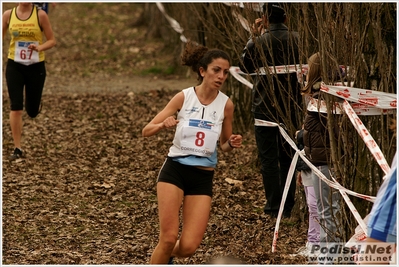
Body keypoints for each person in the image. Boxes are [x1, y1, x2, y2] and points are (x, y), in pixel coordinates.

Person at [142, 41, 243, 264]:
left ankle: (162, 258)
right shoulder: (184, 97)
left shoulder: (226, 105)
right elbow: (146, 130)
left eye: (225, 72)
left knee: (187, 247)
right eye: (216, 70)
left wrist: (232, 143)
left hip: (202, 177)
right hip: (175, 171)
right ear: (202, 71)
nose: (221, 76)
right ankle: (161, 255)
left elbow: (224, 145)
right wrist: (163, 125)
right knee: (168, 239)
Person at [239, 3, 301, 218]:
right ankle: (289, 205)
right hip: (292, 107)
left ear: (264, 18)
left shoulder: (259, 41)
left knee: (268, 159)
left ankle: (273, 207)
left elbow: (245, 67)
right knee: (288, 156)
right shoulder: (299, 39)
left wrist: (253, 37)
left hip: (264, 106)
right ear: (286, 18)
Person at [301, 52, 342, 264]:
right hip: (319, 161)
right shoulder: (318, 97)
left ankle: (329, 259)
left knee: (329, 212)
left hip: (326, 162)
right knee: (326, 211)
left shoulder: (327, 98)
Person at [2, 2, 56, 160]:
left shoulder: (40, 15)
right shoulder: (7, 15)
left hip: (35, 66)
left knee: (31, 111)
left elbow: (52, 40)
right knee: (16, 107)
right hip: (14, 66)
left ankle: (34, 103)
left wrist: (40, 47)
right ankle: (17, 148)